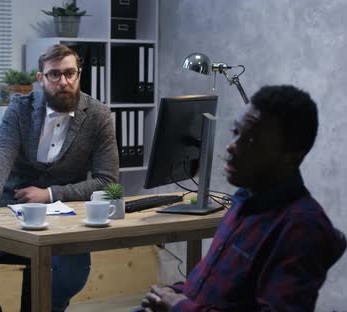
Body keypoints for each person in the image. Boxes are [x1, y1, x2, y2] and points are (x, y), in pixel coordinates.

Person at [137, 85, 346, 311]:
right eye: (236, 132)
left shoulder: (302, 227)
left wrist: (179, 306)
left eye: (252, 142)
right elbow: (216, 286)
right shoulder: (246, 197)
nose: (231, 146)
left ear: (291, 158)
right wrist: (173, 293)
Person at [0, 44, 119, 311]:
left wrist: (52, 194)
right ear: (41, 78)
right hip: (8, 207)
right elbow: (1, 152)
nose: (64, 81)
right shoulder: (20, 107)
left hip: (65, 215)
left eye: (70, 73)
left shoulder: (99, 115)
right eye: (54, 74)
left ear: (79, 74)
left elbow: (108, 181)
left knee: (73, 275)